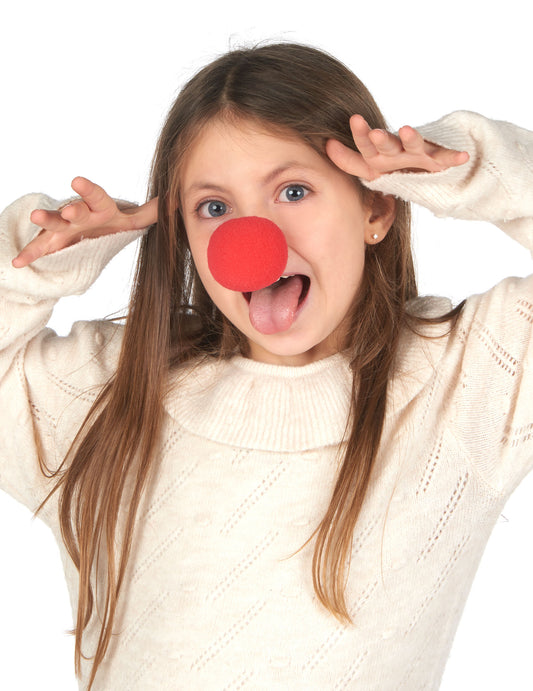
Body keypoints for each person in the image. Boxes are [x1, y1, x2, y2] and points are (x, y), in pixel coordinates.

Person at [1, 42, 531, 690]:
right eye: (214, 208)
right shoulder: (109, 392)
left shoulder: (469, 379)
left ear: (376, 206)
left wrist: (472, 169)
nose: (252, 238)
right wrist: (38, 262)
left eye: (293, 190)